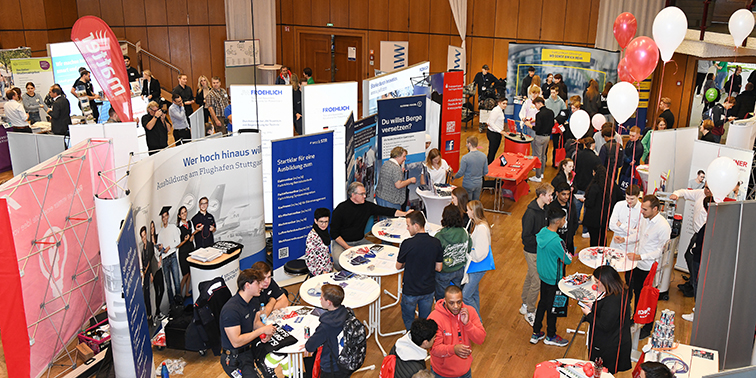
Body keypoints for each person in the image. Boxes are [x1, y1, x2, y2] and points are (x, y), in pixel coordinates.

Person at [618, 195, 671, 339]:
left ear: (655, 209)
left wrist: (641, 257)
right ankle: (635, 319)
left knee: (648, 298)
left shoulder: (663, 227)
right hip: (637, 264)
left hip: (649, 267)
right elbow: (639, 235)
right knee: (636, 292)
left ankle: (647, 328)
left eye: (645, 209)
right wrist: (625, 239)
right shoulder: (645, 219)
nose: (642, 211)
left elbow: (661, 251)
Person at [330, 182, 412, 270]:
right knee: (339, 261)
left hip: (360, 241)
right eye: (362, 194)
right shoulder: (341, 209)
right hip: (342, 243)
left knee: (380, 253)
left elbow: (386, 211)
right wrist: (347, 247)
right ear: (353, 195)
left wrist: (405, 214)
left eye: (365, 193)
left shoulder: (367, 206)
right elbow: (334, 233)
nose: (365, 196)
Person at [219, 269, 278, 378]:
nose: (261, 286)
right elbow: (236, 341)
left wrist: (267, 331)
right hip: (234, 358)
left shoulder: (253, 300)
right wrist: (262, 330)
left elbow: (255, 323)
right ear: (247, 285)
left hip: (248, 351)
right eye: (258, 283)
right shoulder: (231, 310)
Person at [530, 207, 572, 347]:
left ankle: (536, 332)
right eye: (564, 220)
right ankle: (551, 335)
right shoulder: (556, 241)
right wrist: (568, 255)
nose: (565, 222)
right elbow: (567, 260)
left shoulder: (542, 233)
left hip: (543, 276)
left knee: (542, 303)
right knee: (554, 307)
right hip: (555, 279)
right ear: (559, 221)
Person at [580, 265, 632, 373]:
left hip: (608, 347)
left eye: (597, 281)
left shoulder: (612, 302)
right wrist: (593, 306)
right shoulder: (620, 291)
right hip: (616, 340)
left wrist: (589, 314)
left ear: (606, 282)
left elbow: (604, 325)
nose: (595, 285)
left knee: (603, 373)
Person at [396, 211, 444, 330]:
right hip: (428, 289)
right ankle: (422, 340)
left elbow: (398, 266)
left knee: (408, 318)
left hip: (410, 290)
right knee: (425, 320)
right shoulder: (436, 242)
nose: (407, 228)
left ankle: (411, 337)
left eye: (408, 225)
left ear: (416, 225)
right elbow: (439, 267)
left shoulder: (407, 244)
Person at [427, 285, 486, 378]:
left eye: (459, 302)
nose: (456, 306)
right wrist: (453, 349)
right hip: (442, 374)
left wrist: (467, 324)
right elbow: (434, 348)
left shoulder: (470, 311)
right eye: (451, 303)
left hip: (465, 372)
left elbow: (481, 339)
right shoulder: (434, 318)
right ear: (445, 301)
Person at [670, 184, 713, 299]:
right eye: (706, 187)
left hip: (704, 237)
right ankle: (693, 282)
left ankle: (695, 285)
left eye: (709, 188)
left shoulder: (716, 202)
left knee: (692, 258)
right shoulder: (700, 193)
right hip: (697, 234)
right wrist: (676, 194)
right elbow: (685, 192)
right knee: (689, 257)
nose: (706, 190)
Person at [520, 183, 553, 326]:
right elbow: (526, 236)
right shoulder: (530, 213)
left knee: (530, 275)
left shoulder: (544, 209)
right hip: (532, 251)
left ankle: (525, 304)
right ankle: (530, 311)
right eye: (550, 195)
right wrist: (542, 241)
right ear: (542, 195)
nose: (552, 197)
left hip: (539, 251)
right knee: (537, 281)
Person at [304, 284, 352, 378]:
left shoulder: (327, 325)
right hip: (345, 361)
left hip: (331, 366)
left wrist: (309, 346)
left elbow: (310, 345)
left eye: (322, 298)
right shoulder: (347, 313)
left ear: (329, 302)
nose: (320, 299)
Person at [433, 204, 470, 301]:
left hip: (444, 271)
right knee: (457, 296)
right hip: (459, 269)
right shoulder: (464, 232)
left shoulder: (439, 236)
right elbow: (469, 248)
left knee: (441, 298)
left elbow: (435, 255)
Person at [462, 200, 491, 319]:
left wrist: (468, 253)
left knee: (466, 295)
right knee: (474, 293)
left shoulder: (481, 228)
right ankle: (476, 320)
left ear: (473, 212)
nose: (466, 212)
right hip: (477, 265)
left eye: (468, 210)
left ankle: (477, 321)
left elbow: (480, 253)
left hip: (477, 265)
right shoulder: (480, 225)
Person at [156, 206, 183, 306]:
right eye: (163, 217)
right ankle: (172, 305)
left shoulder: (173, 228)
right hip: (164, 259)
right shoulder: (160, 233)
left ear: (168, 216)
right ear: (162, 219)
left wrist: (169, 247)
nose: (164, 218)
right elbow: (159, 248)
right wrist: (160, 248)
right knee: (168, 285)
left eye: (166, 216)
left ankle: (179, 303)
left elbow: (178, 241)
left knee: (176, 281)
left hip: (172, 256)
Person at [573, 137, 602, 225]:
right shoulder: (596, 158)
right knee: (588, 207)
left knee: (576, 207)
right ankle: (585, 227)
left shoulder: (577, 155)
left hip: (578, 184)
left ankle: (574, 225)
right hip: (590, 186)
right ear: (593, 145)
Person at [583, 165, 613, 247]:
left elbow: (589, 203)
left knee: (594, 240)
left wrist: (585, 200)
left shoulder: (594, 187)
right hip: (604, 218)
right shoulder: (608, 186)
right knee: (603, 238)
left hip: (593, 219)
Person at [525, 97, 553, 182]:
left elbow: (537, 128)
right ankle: (541, 173)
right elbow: (551, 124)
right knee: (543, 156)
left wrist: (528, 124)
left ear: (539, 103)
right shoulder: (551, 112)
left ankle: (537, 176)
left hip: (539, 137)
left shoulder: (539, 114)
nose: (535, 107)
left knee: (538, 157)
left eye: (535, 105)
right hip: (547, 137)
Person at [609, 185, 642, 254]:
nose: (629, 201)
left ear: (638, 196)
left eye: (632, 199)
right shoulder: (619, 205)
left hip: (630, 248)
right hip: (615, 245)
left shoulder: (642, 210)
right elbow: (611, 226)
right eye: (627, 198)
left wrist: (621, 225)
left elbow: (639, 233)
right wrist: (631, 230)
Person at [453, 136, 488, 201]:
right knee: (475, 202)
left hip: (468, 184)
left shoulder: (465, 158)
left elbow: (461, 173)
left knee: (468, 203)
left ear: (469, 144)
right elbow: (485, 171)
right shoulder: (483, 156)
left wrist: (454, 177)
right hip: (479, 183)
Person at [176, 206, 198, 299]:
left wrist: (193, 236)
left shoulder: (190, 223)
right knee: (185, 274)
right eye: (182, 213)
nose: (184, 214)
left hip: (191, 250)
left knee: (189, 273)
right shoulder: (178, 228)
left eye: (185, 212)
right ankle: (180, 295)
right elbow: (177, 245)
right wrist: (185, 241)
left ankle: (187, 293)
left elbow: (192, 234)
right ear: (179, 216)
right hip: (183, 252)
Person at [549, 182, 578, 252]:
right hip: (555, 241)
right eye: (563, 194)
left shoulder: (571, 205)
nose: (566, 197)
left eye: (568, 194)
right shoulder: (551, 207)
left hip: (568, 240)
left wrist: (571, 233)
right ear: (557, 193)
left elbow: (574, 220)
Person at [305, 208, 333, 276]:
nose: (324, 224)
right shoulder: (312, 237)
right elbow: (309, 260)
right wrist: (320, 272)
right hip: (319, 272)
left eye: (326, 221)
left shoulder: (323, 232)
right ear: (315, 221)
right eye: (321, 221)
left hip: (327, 268)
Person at [140, 226, 159, 326]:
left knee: (151, 294)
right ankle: (148, 315)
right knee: (146, 295)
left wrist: (151, 273)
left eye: (144, 235)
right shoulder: (142, 249)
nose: (143, 238)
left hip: (151, 272)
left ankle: (152, 315)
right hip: (145, 275)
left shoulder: (150, 245)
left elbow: (151, 260)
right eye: (142, 236)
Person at [546, 86, 567, 167]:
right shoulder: (547, 101)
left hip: (557, 125)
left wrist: (556, 120)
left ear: (557, 92)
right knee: (546, 144)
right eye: (551, 92)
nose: (552, 94)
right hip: (548, 125)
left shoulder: (561, 102)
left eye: (554, 92)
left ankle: (554, 162)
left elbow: (564, 113)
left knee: (555, 145)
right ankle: (544, 162)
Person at [148, 221, 166, 319]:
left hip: (159, 268)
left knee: (162, 289)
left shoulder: (157, 237)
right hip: (154, 270)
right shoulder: (149, 244)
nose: (152, 229)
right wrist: (151, 273)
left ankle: (158, 311)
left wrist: (160, 259)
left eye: (153, 227)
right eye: (150, 228)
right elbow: (149, 259)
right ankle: (157, 313)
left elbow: (161, 251)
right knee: (156, 290)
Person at [485, 96, 508, 164]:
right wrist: (500, 131)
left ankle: (489, 164)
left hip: (496, 133)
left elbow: (488, 121)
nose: (505, 105)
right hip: (493, 134)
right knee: (492, 151)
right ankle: (488, 165)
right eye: (503, 103)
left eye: (506, 104)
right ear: (499, 103)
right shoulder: (496, 111)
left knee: (493, 151)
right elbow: (490, 123)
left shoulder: (499, 110)